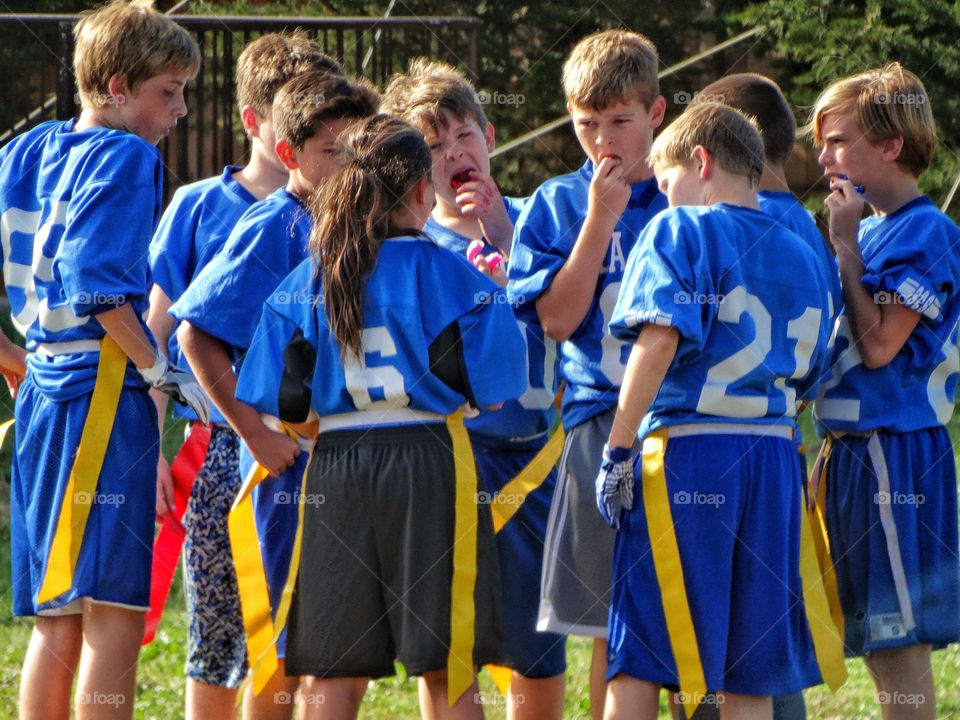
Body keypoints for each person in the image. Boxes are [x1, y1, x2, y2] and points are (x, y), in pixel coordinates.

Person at [234, 114, 528, 720]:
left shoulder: (313, 275)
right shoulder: (455, 276)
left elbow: (286, 403)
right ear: (423, 192)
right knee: (449, 667)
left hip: (338, 469)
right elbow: (496, 393)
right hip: (430, 463)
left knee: (332, 675)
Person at [597, 101, 841, 720]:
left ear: (700, 161)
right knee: (747, 671)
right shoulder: (804, 252)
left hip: (690, 456)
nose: (666, 197)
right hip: (775, 456)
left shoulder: (680, 230)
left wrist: (618, 448)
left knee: (642, 655)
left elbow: (659, 341)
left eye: (670, 181)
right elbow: (811, 374)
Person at [0, 2, 202, 718]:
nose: (179, 109)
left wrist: (10, 352)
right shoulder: (126, 156)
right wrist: (159, 369)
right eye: (167, 92)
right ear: (117, 87)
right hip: (99, 389)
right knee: (113, 603)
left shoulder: (27, 150)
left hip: (46, 390)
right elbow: (100, 289)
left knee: (58, 609)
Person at [145, 33, 342, 720]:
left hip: (324, 453)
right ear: (261, 124)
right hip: (226, 448)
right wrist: (152, 454)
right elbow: (162, 338)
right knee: (224, 635)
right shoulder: (204, 208)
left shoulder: (347, 217)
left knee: (308, 636)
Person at [170, 68, 377, 715]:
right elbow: (194, 336)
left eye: (357, 151)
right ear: (288, 154)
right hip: (277, 473)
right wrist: (255, 433)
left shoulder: (361, 228)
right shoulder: (271, 228)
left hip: (342, 468)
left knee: (338, 648)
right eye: (330, 152)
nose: (346, 166)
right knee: (278, 652)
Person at [383, 57, 566, 720]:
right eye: (432, 146)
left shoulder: (534, 222)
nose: (454, 153)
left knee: (537, 649)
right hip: (445, 462)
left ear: (489, 138)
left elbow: (562, 318)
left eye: (464, 135)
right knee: (447, 648)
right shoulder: (409, 242)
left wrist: (508, 244)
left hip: (530, 459)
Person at [506, 29, 667, 719]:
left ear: (658, 113)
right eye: (585, 124)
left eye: (620, 122)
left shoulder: (689, 189)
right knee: (609, 614)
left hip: (679, 423)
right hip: (599, 421)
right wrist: (599, 223)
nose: (602, 140)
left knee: (685, 596)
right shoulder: (555, 203)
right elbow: (556, 320)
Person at [686, 71, 844, 720]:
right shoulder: (807, 233)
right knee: (768, 630)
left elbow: (672, 336)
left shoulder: (705, 225)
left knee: (700, 630)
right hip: (780, 445)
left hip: (701, 445)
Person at [811, 62, 960, 720]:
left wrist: (844, 247)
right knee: (871, 633)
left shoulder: (925, 232)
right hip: (849, 451)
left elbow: (879, 347)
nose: (823, 156)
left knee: (898, 639)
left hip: (893, 453)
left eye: (838, 140)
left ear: (890, 145)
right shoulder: (869, 227)